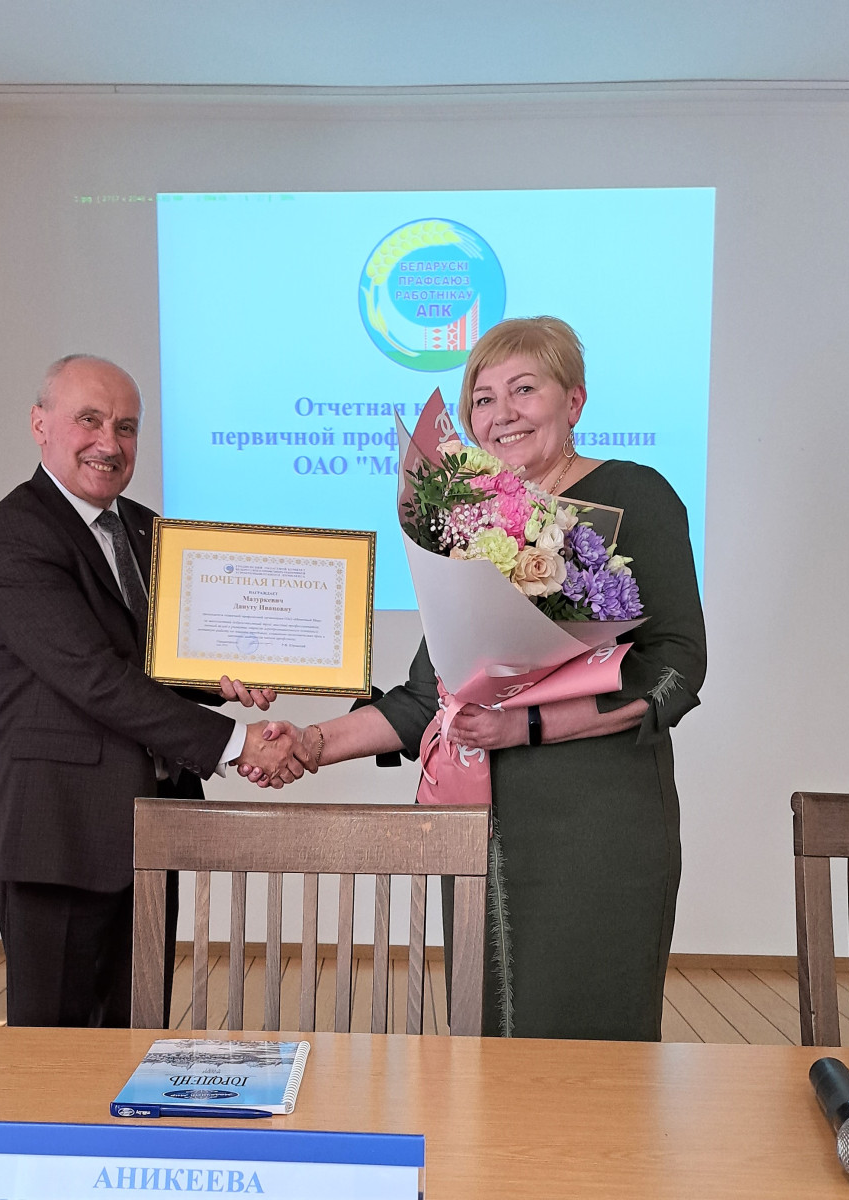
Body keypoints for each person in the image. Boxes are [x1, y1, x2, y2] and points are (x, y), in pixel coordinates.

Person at [247, 317, 705, 1041]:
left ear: (574, 401)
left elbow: (675, 667)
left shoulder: (635, 493)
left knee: (591, 1052)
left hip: (598, 827)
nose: (502, 414)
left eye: (524, 390)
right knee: (487, 1040)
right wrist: (310, 742)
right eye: (483, 400)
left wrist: (525, 726)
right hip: (480, 829)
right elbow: (428, 698)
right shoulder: (470, 522)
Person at [0, 354, 305, 1027]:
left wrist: (225, 673)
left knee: (135, 1038)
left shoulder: (146, 530)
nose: (109, 442)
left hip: (152, 828)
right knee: (52, 1053)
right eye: (89, 420)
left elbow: (153, 661)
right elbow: (92, 677)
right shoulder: (12, 532)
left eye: (126, 427)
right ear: (40, 424)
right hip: (59, 837)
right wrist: (235, 743)